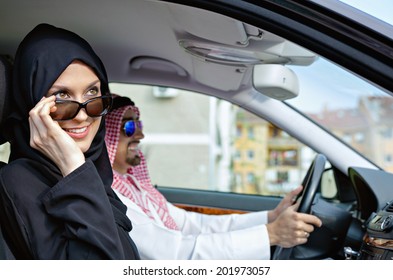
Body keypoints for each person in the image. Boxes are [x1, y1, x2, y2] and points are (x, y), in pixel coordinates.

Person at [105, 95, 322, 259]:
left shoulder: (134, 185)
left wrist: (271, 218)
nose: (140, 134)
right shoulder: (110, 196)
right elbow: (175, 256)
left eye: (139, 125)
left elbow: (194, 224)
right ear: (106, 134)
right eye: (129, 126)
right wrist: (270, 235)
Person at [0, 24, 140, 259]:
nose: (83, 115)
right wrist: (74, 167)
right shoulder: (19, 183)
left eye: (93, 94)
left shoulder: (95, 173)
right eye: (61, 97)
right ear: (32, 106)